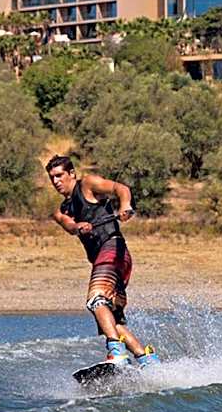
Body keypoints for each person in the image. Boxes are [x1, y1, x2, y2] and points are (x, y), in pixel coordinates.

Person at [45, 154, 160, 368]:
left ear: (72, 173)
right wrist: (78, 226)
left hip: (113, 249)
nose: (56, 181)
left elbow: (121, 189)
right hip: (106, 259)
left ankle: (116, 352)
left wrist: (125, 206)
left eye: (60, 176)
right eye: (52, 178)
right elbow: (68, 225)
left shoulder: (88, 185)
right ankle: (147, 360)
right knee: (112, 321)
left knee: (96, 300)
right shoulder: (61, 211)